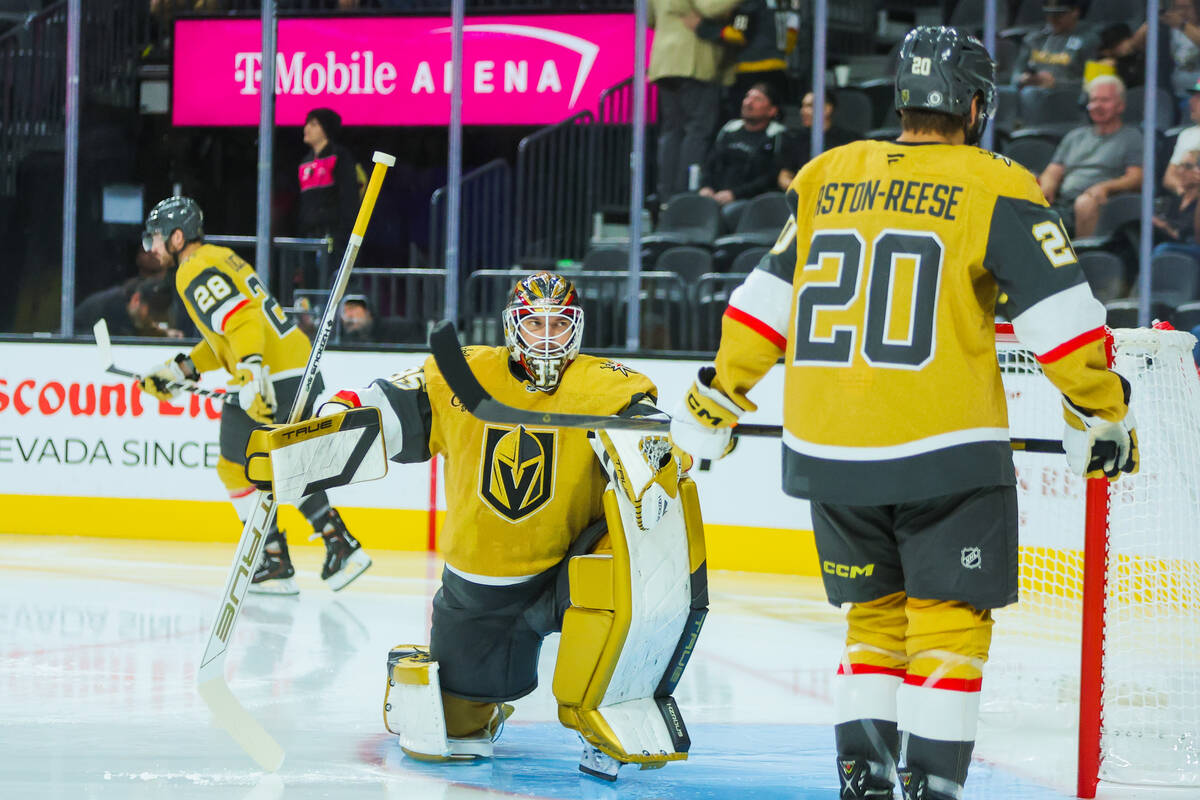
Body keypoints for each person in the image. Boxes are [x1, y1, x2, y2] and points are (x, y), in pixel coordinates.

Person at [670, 26, 1138, 800]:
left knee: (873, 620)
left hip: (825, 448)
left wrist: (715, 399)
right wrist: (1103, 413)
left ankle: (864, 776)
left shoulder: (825, 176)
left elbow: (761, 306)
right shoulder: (998, 184)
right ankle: (931, 786)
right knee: (949, 626)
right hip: (944, 449)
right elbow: (1064, 323)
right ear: (977, 104)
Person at [243, 272, 707, 779]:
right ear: (513, 326)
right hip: (481, 587)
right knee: (449, 740)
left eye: (559, 323)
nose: (547, 337)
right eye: (535, 324)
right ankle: (478, 701)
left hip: (565, 569)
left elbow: (656, 440)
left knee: (627, 573)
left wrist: (662, 458)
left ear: (577, 327)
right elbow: (383, 404)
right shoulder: (463, 375)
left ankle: (610, 715)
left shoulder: (605, 387)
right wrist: (332, 421)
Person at [136, 195, 371, 594]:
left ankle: (277, 559)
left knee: (235, 465)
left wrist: (252, 371)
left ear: (177, 237)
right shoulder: (219, 256)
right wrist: (182, 369)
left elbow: (242, 320)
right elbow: (227, 332)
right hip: (294, 365)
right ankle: (338, 544)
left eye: (156, 238)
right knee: (285, 462)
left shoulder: (191, 269)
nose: (152, 246)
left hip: (273, 374)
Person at [648, 0, 742, 205]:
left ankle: (666, 195)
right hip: (692, 60)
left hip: (664, 62)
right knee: (697, 130)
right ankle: (685, 195)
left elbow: (648, 18)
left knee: (671, 131)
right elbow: (708, 7)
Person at [1037, 75, 1143, 237]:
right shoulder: (1074, 137)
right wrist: (1047, 186)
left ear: (1120, 106)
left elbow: (1136, 178)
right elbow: (1053, 171)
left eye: (1104, 100)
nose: (1097, 106)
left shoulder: (1131, 137)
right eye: (1093, 100)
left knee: (1084, 203)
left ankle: (1082, 259)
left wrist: (1105, 187)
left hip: (1102, 204)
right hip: (1063, 203)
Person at [699, 82, 788, 230]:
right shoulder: (729, 129)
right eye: (747, 97)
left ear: (772, 110)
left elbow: (771, 177)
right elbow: (709, 163)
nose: (748, 102)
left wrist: (735, 194)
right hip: (716, 196)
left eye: (758, 99)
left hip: (751, 201)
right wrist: (706, 186)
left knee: (728, 214)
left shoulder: (777, 136)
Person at [692, 0, 790, 120]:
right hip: (778, 68)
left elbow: (739, 34)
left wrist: (706, 29)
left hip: (751, 70)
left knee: (745, 119)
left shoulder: (750, 4)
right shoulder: (777, 5)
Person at [297, 107, 361, 266]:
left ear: (326, 129)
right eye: (307, 124)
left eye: (313, 124)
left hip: (333, 238)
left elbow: (349, 198)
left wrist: (343, 235)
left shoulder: (340, 156)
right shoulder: (304, 162)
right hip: (309, 237)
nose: (307, 128)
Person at [775, 89, 860, 190]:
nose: (803, 111)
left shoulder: (848, 140)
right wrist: (802, 191)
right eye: (802, 106)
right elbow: (784, 176)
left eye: (810, 106)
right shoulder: (795, 139)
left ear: (827, 109)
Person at [1113, 0, 1200, 95]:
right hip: (1171, 93)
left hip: (1197, 92)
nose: (1182, 12)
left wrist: (1182, 25)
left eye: (1186, 7)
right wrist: (1152, 21)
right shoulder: (1169, 29)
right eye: (1178, 8)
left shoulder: (1185, 26)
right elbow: (1127, 49)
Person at [1012, 0, 1100, 90]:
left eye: (1059, 14)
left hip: (1070, 96)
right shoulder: (1035, 39)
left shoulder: (1089, 40)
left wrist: (1057, 84)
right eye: (1049, 14)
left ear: (1074, 12)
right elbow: (1015, 76)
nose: (1052, 19)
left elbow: (1095, 83)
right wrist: (1023, 78)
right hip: (1034, 96)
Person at [75, 276, 176, 338]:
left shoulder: (131, 311)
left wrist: (164, 334)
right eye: (151, 314)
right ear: (136, 300)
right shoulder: (109, 308)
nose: (153, 321)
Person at [1152, 149, 1200, 264]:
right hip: (1172, 244)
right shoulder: (1174, 200)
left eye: (1188, 167)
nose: (1180, 171)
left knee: (1163, 250)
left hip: (1193, 248)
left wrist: (1166, 228)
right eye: (1180, 166)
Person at [1165, 78, 1200, 196]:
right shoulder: (1186, 135)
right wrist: (1186, 194)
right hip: (1185, 203)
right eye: (1193, 96)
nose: (1191, 101)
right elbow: (1169, 178)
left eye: (1198, 97)